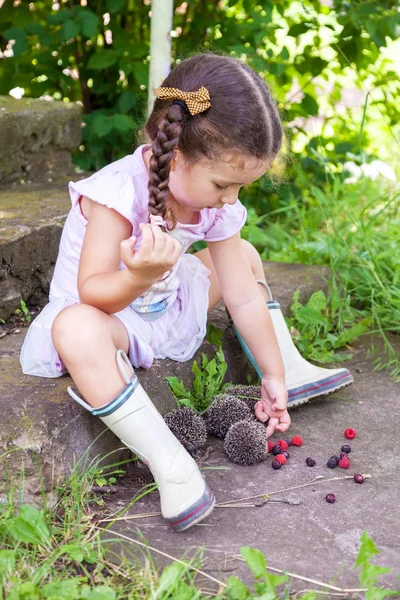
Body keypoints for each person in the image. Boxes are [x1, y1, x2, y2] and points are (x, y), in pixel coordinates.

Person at [20, 52, 353, 531]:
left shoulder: (212, 204)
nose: (231, 199)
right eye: (224, 184)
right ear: (175, 156)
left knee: (247, 259)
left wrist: (270, 373)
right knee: (72, 328)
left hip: (165, 307)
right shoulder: (117, 194)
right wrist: (136, 277)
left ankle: (290, 367)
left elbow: (240, 295)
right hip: (110, 318)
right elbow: (90, 294)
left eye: (242, 187)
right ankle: (172, 466)